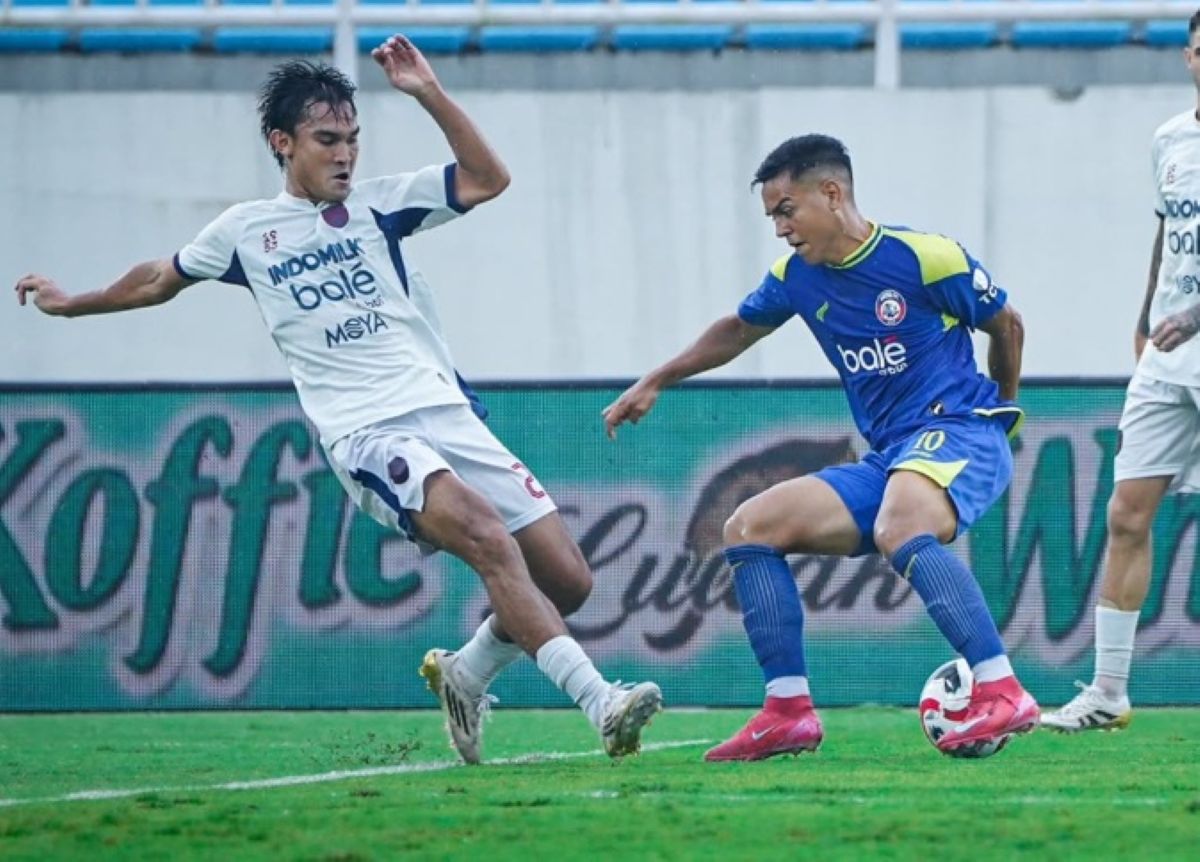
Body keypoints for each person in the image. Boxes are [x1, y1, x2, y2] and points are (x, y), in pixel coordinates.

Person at [14, 40, 661, 764]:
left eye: (353, 138)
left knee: (567, 579)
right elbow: (156, 280)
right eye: (327, 140)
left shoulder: (380, 206)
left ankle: (467, 674)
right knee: (486, 537)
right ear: (282, 143)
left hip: (446, 413)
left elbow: (489, 178)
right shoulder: (246, 233)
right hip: (368, 432)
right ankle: (601, 703)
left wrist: (428, 93)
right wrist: (71, 303)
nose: (346, 154)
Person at [603, 134, 1037, 761]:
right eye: (772, 217)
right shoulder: (796, 277)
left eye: (786, 210)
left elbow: (1008, 324)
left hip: (963, 429)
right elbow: (739, 328)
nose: (780, 229)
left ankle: (1001, 689)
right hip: (890, 457)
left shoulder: (926, 258)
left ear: (832, 193)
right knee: (749, 526)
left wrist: (1002, 414)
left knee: (901, 524)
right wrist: (657, 378)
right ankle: (787, 712)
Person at [1042, 13, 1200, 734]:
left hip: (1190, 330)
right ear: (1188, 57)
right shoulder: (1171, 139)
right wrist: (1145, 320)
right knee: (1127, 514)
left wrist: (1194, 315)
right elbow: (1167, 233)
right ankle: (1108, 692)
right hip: (1168, 357)